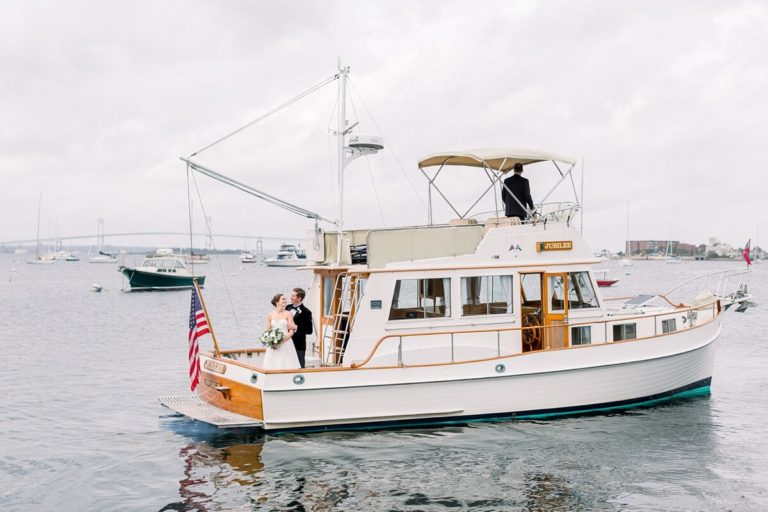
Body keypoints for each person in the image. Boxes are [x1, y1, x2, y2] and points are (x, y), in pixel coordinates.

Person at [263, 293, 300, 369]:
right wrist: (271, 341)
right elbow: (268, 330)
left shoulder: (288, 314)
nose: (285, 300)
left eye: (285, 299)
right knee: (271, 365)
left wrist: (282, 340)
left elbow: (291, 330)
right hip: (273, 344)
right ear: (277, 302)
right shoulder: (270, 315)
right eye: (283, 299)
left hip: (286, 342)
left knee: (286, 365)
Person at [286, 287, 313, 368]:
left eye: (293, 296)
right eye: (291, 295)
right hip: (286, 343)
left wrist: (295, 327)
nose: (291, 297)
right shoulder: (288, 307)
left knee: (299, 366)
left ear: (299, 298)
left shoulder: (306, 312)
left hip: (298, 345)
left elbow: (309, 330)